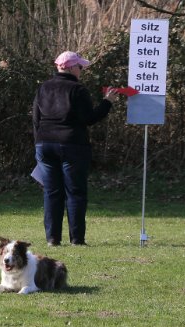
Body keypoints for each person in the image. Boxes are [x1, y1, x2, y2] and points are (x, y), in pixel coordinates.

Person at [32, 51, 119, 246]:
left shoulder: (43, 88)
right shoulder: (78, 89)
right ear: (71, 68)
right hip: (72, 145)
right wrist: (107, 102)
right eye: (80, 67)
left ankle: (52, 239)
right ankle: (77, 239)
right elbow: (89, 118)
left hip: (45, 144)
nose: (81, 70)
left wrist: (39, 144)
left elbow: (36, 119)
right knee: (75, 192)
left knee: (51, 192)